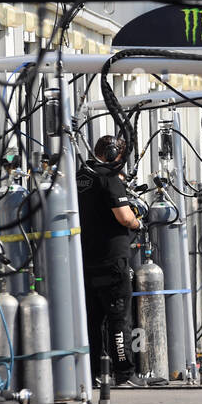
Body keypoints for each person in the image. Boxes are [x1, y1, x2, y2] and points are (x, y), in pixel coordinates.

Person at [77, 134, 162, 388]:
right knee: (118, 320)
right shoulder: (109, 178)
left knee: (91, 321)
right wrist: (138, 221)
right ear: (114, 154)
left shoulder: (80, 177)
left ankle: (92, 374)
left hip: (85, 259)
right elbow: (124, 217)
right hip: (113, 260)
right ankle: (124, 373)